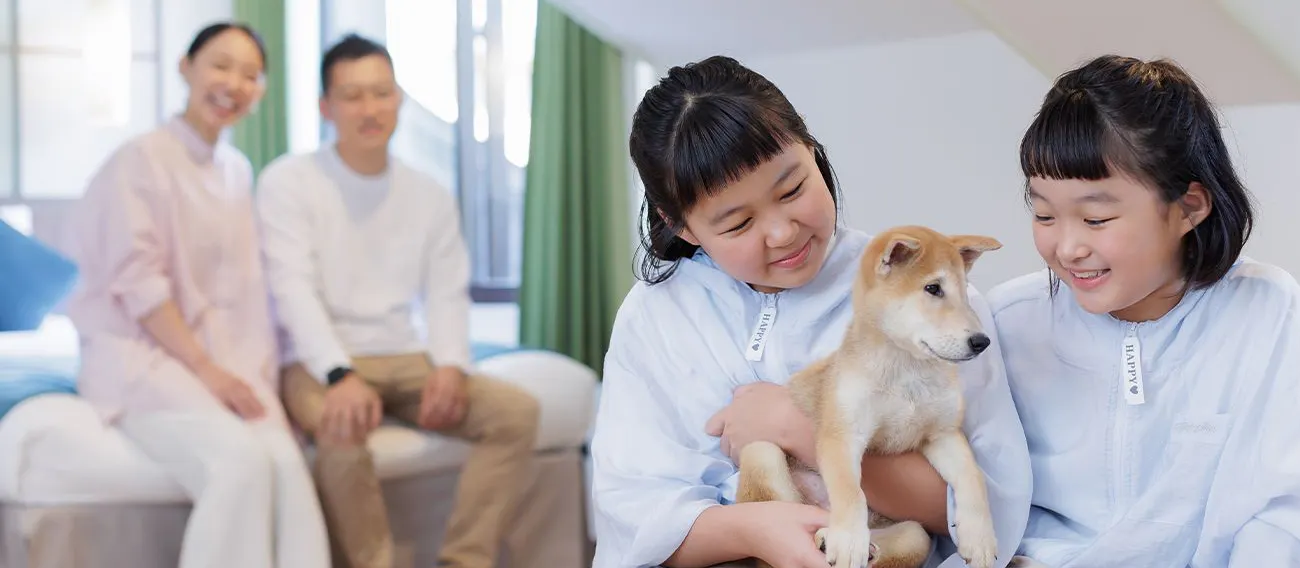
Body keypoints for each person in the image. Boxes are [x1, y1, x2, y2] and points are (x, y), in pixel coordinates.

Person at [589, 55, 1032, 568]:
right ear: (681, 226)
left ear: (813, 153)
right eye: (737, 224)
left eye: (793, 189)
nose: (782, 233)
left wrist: (796, 424)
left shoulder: (923, 293)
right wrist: (754, 531)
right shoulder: (657, 315)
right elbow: (633, 513)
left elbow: (985, 510)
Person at [987, 55, 1300, 567]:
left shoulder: (1264, 313)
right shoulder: (1009, 320)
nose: (1067, 247)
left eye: (1097, 218)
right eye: (1045, 214)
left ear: (1189, 207)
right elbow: (972, 501)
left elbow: (1297, 517)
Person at [254, 33, 542, 568]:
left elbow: (445, 292)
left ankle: (465, 559)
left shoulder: (428, 192)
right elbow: (291, 289)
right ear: (326, 107)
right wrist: (339, 375)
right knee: (341, 432)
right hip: (319, 362)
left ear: (400, 98)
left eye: (381, 93)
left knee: (516, 412)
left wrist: (452, 366)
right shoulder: (288, 182)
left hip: (403, 355)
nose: (370, 108)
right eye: (353, 95)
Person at [60, 21, 331, 568]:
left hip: (219, 366)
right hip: (144, 363)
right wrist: (208, 371)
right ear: (186, 68)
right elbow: (140, 285)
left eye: (251, 74)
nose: (234, 83)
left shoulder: (236, 170)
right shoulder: (140, 159)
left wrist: (264, 384)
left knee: (285, 462)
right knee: (240, 464)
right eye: (221, 65)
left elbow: (247, 297)